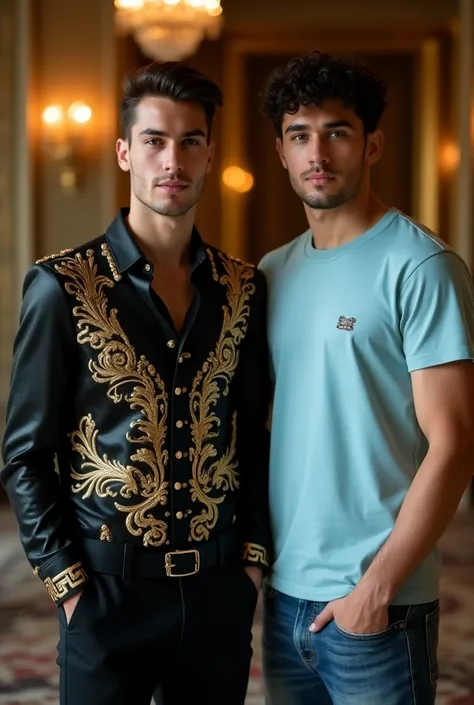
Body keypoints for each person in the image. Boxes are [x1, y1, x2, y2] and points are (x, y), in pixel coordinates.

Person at [1, 61, 271, 705]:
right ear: (125, 152)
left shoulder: (243, 289)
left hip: (216, 595)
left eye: (190, 141)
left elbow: (256, 433)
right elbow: (25, 452)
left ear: (209, 155)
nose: (171, 160)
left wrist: (252, 564)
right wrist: (67, 584)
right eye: (153, 140)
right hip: (105, 595)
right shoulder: (62, 286)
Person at [258, 50, 474, 705]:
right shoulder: (271, 272)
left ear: (372, 143)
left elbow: (456, 443)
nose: (317, 151)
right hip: (285, 597)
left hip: (378, 605)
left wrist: (375, 589)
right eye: (300, 135)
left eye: (338, 131)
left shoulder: (421, 265)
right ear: (282, 153)